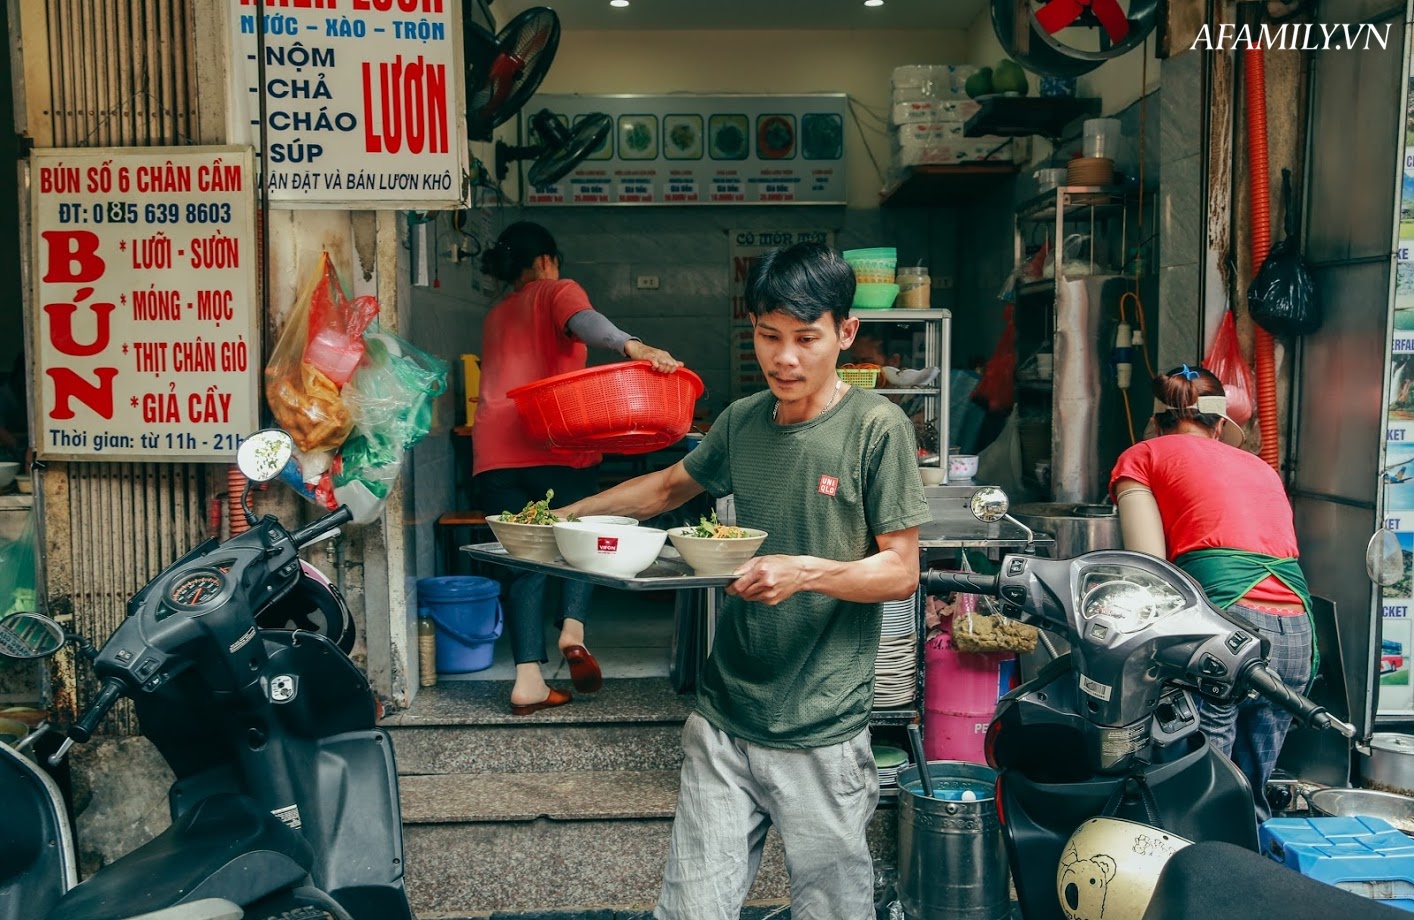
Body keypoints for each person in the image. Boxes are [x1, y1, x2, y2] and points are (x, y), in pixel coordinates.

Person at [559, 241, 931, 919]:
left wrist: (804, 572)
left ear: (846, 333)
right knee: (690, 911)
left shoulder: (877, 429)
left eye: (805, 338)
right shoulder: (742, 421)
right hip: (725, 718)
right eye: (768, 337)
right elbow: (670, 487)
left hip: (820, 731)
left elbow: (900, 572)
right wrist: (563, 517)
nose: (784, 358)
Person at [474, 221, 681, 716]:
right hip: (553, 446)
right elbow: (585, 321)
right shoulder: (556, 289)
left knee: (526, 561)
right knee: (585, 537)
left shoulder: (496, 313)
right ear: (546, 261)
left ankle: (528, 681)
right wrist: (636, 347)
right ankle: (573, 629)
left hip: (492, 457)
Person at [1109, 363, 1314, 820]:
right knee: (1249, 796)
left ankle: (1197, 881)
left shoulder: (1143, 456)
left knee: (1204, 791)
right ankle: (1251, 881)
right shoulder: (1259, 467)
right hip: (1297, 628)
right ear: (1220, 424)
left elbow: (1151, 572)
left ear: (1156, 421)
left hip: (1226, 624)